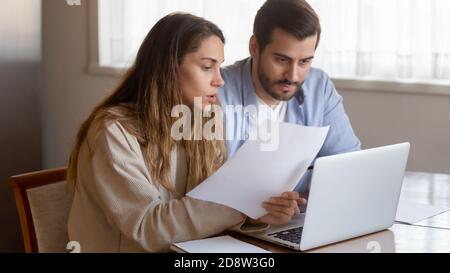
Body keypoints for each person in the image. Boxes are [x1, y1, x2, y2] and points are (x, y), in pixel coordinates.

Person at [66, 13, 301, 253]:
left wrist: (258, 210)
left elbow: (210, 210)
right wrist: (239, 205)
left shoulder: (203, 119)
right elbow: (147, 229)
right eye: (207, 67)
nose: (219, 80)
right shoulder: (112, 132)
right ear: (169, 68)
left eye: (219, 67)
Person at [219, 0, 361, 193]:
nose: (293, 76)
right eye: (282, 60)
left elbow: (348, 165)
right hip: (234, 222)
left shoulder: (319, 87)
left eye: (304, 62)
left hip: (301, 218)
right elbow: (202, 186)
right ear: (254, 47)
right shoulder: (215, 91)